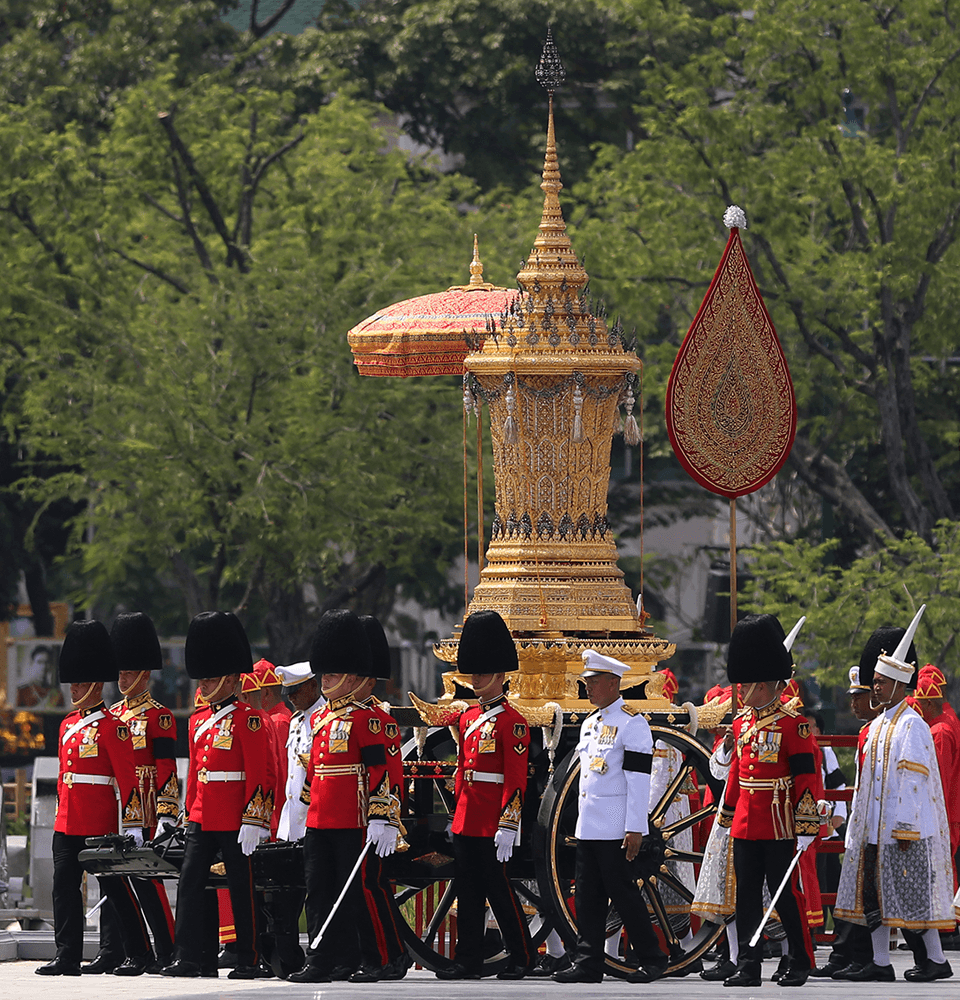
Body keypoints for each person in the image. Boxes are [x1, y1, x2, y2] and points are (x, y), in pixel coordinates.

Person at [835, 607, 955, 982]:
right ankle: (881, 962)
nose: (876, 688)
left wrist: (904, 827)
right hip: (873, 830)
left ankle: (935, 960)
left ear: (900, 685)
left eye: (882, 683)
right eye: (875, 682)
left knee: (912, 899)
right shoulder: (876, 727)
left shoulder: (912, 725)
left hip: (904, 833)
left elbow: (913, 781)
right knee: (874, 898)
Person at [36, 619, 152, 976]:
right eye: (73, 683)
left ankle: (139, 951)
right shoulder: (67, 724)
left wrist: (132, 825)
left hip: (98, 824)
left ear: (96, 684)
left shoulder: (113, 728)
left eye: (81, 683)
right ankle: (67, 955)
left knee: (116, 891)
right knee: (64, 890)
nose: (74, 689)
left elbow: (129, 780)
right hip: (67, 820)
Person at [161, 611, 271, 980]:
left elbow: (261, 772)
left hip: (237, 817)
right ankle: (189, 956)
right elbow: (196, 772)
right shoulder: (196, 721)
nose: (205, 685)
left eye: (211, 678)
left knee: (242, 888)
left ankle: (248, 957)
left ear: (229, 677)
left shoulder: (248, 719)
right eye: (203, 678)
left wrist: (255, 818)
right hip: (202, 815)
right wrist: (187, 812)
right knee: (190, 883)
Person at [289, 608, 396, 984]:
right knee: (318, 892)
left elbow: (380, 772)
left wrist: (382, 817)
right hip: (321, 819)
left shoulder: (367, 720)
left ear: (351, 676)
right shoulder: (320, 719)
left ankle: (379, 957)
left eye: (331, 674)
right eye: (324, 674)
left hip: (353, 820)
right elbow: (314, 770)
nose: (325, 680)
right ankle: (323, 960)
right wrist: (302, 811)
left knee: (357, 895)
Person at [718, 613, 822, 988]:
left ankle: (799, 959)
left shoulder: (794, 725)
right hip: (746, 820)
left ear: (762, 684)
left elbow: (807, 779)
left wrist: (808, 825)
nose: (741, 687)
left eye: (747, 682)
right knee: (745, 897)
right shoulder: (742, 723)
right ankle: (748, 964)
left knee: (786, 897)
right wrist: (726, 812)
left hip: (778, 822)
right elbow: (737, 774)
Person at [553, 648, 666, 985]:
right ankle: (588, 962)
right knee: (587, 897)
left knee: (624, 895)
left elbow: (638, 781)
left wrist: (635, 828)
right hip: (589, 826)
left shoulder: (632, 724)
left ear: (614, 683)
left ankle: (652, 958)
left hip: (617, 828)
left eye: (594, 681)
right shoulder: (590, 723)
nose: (587, 687)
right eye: (586, 681)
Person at [436, 610, 534, 981]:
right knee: (469, 893)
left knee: (500, 893)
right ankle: (468, 960)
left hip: (494, 821)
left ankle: (524, 955)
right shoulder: (467, 719)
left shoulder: (514, 723)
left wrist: (509, 824)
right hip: (467, 818)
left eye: (482, 672)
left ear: (500, 675)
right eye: (473, 672)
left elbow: (515, 779)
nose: (475, 678)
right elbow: (463, 770)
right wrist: (456, 815)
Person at [86, 612, 180, 976]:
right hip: (116, 803)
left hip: (146, 805)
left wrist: (167, 811)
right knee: (111, 876)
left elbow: (167, 768)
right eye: (120, 672)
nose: (122, 678)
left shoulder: (160, 717)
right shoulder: (111, 715)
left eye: (128, 672)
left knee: (146, 880)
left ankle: (166, 948)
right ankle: (116, 949)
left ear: (145, 674)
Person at [349, 615, 410, 982]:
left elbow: (389, 775)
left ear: (368, 680)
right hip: (349, 818)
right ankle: (385, 953)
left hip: (374, 819)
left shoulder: (378, 719)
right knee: (366, 888)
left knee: (369, 886)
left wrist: (386, 818)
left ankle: (387, 955)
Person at [810, 665, 875, 980]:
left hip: (878, 825)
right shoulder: (868, 731)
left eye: (859, 697)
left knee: (866, 894)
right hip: (862, 825)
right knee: (853, 894)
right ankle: (846, 953)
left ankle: (862, 956)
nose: (853, 704)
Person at [264, 660, 323, 977]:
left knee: (314, 898)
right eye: (287, 692)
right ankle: (289, 957)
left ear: (313, 686)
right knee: (285, 901)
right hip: (291, 823)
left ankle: (318, 957)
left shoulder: (323, 720)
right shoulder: (299, 722)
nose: (290, 697)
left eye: (295, 690)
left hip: (314, 822)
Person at [911, 664, 960, 888]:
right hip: (949, 813)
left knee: (941, 875)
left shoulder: (938, 732)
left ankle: (947, 924)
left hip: (945, 815)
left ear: (929, 702)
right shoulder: (946, 723)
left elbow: (938, 782)